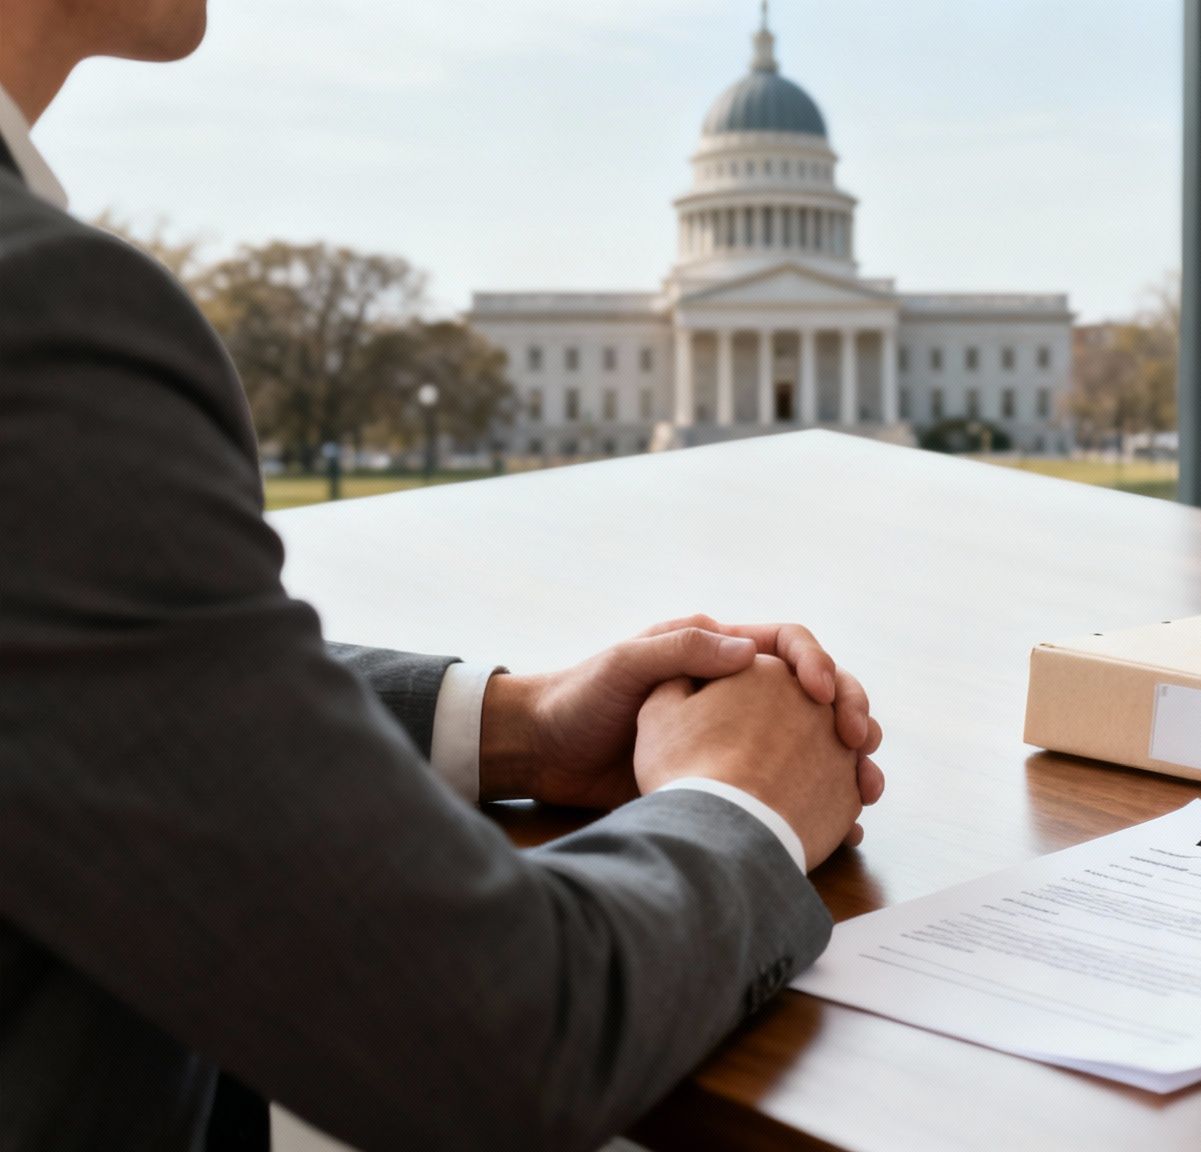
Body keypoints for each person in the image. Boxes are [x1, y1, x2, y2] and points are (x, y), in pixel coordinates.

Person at [0, 1, 885, 1148]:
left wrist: (518, 725)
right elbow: (502, 1040)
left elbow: (68, 656)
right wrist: (742, 805)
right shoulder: (39, 320)